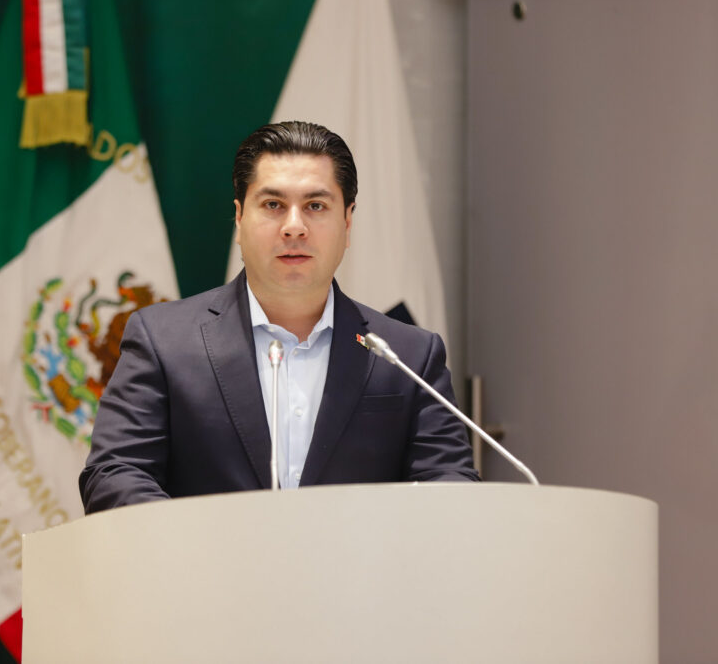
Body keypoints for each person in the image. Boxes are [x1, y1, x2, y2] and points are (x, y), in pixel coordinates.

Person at [80, 121, 477, 512]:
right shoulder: (163, 341)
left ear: (347, 221)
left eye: (315, 206)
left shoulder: (408, 356)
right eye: (273, 205)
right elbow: (116, 473)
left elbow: (449, 481)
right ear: (239, 219)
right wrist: (192, 543)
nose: (294, 227)